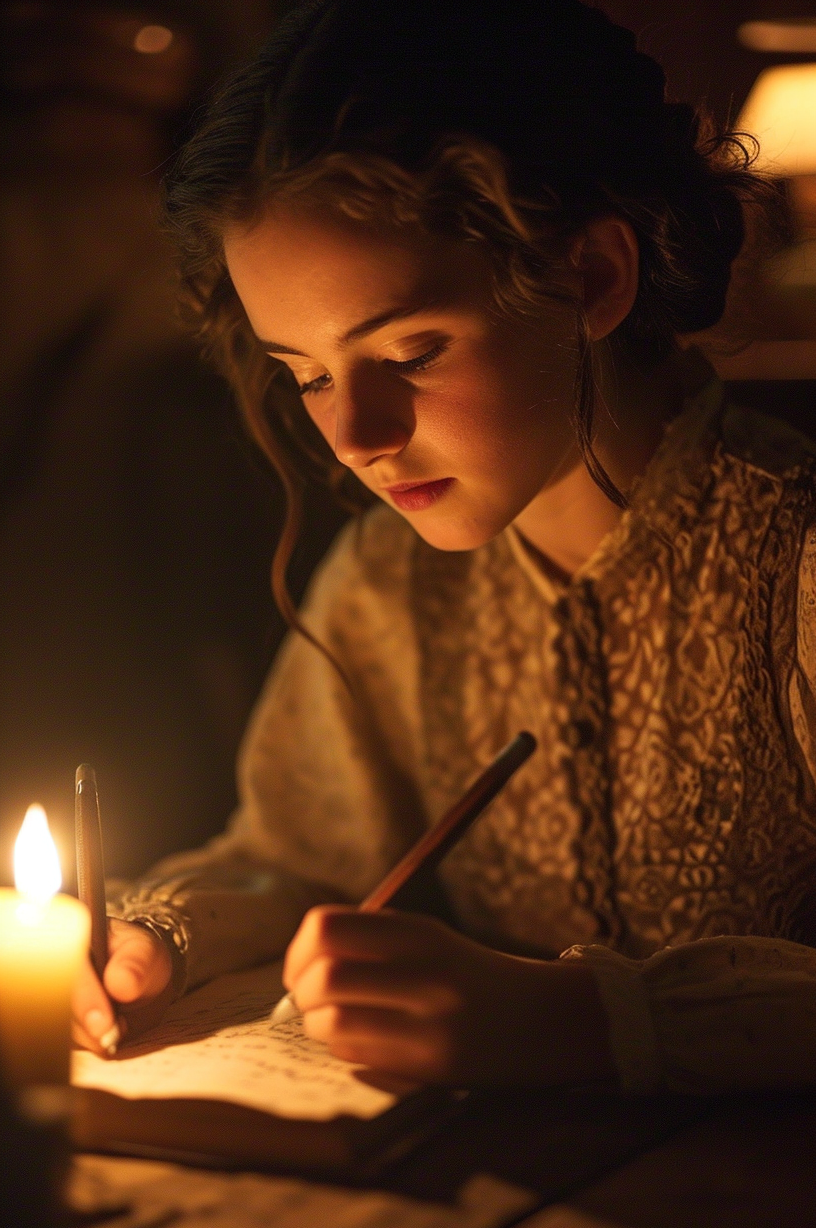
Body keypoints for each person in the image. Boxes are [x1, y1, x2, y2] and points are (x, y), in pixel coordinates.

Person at [72, 0, 816, 1094]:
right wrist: (163, 944)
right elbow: (295, 859)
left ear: (594, 279)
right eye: (307, 374)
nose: (355, 439)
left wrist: (584, 1021)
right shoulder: (388, 584)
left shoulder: (791, 573)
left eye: (412, 351)